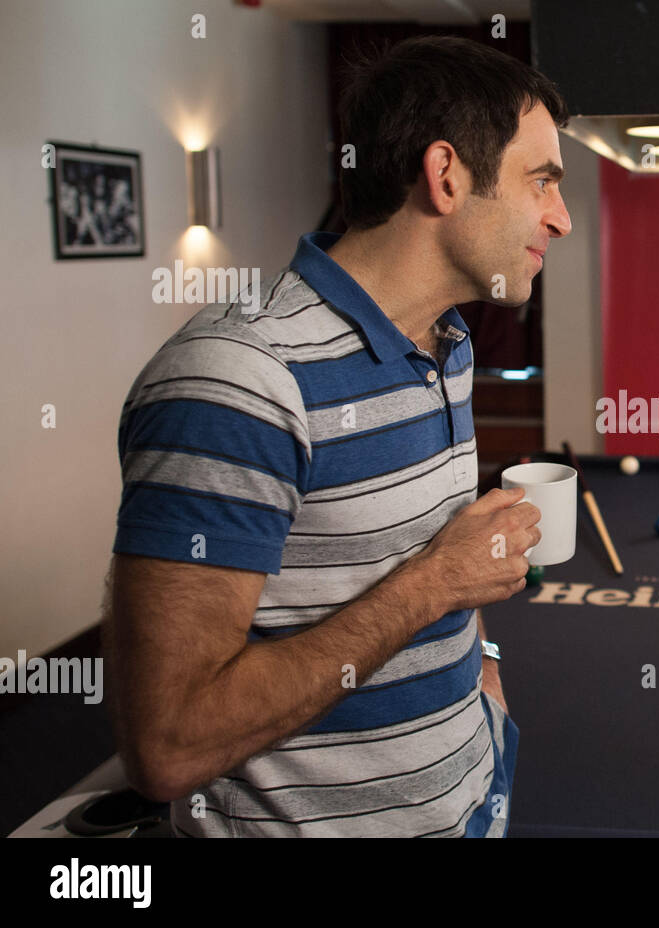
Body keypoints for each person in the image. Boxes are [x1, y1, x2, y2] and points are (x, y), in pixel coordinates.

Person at [103, 35, 572, 837]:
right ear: (448, 175)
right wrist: (434, 584)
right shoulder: (236, 380)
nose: (560, 219)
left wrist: (485, 681)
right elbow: (167, 745)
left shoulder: (447, 345)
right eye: (542, 182)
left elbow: (440, 553)